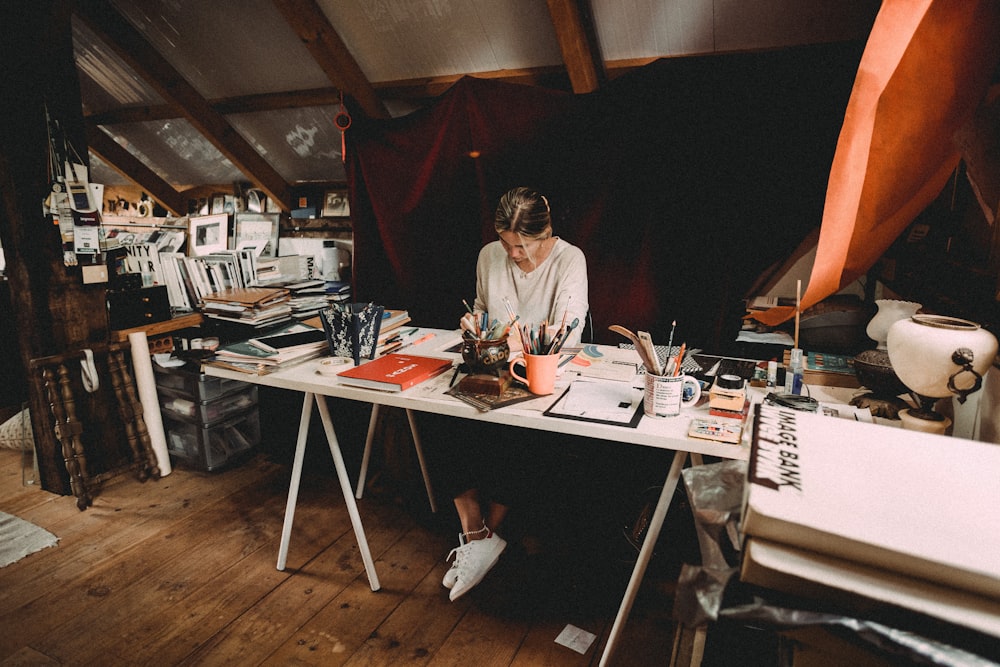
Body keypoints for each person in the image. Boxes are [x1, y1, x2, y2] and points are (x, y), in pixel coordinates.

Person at [441, 186, 589, 601]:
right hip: (492, 368)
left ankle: (489, 535)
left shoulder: (569, 259)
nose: (513, 255)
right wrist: (475, 325)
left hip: (545, 373)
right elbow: (485, 313)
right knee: (441, 410)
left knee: (516, 428)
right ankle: (477, 535)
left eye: (522, 246)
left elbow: (567, 334)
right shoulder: (490, 255)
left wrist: (514, 348)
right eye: (507, 244)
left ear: (545, 234)